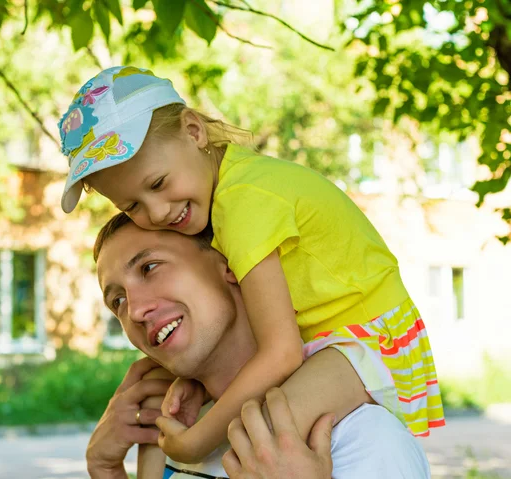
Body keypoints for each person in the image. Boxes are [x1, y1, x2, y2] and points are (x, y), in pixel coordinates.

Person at [58, 66, 444, 462]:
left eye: (157, 184)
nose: (156, 212)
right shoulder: (232, 182)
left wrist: (194, 444)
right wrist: (196, 382)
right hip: (333, 339)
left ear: (194, 131)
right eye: (132, 206)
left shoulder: (244, 202)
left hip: (366, 340)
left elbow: (281, 353)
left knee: (253, 443)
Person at [87, 213, 431, 478]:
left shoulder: (360, 436)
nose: (134, 310)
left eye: (150, 268)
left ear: (231, 264)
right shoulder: (174, 432)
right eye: (117, 301)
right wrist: (106, 470)